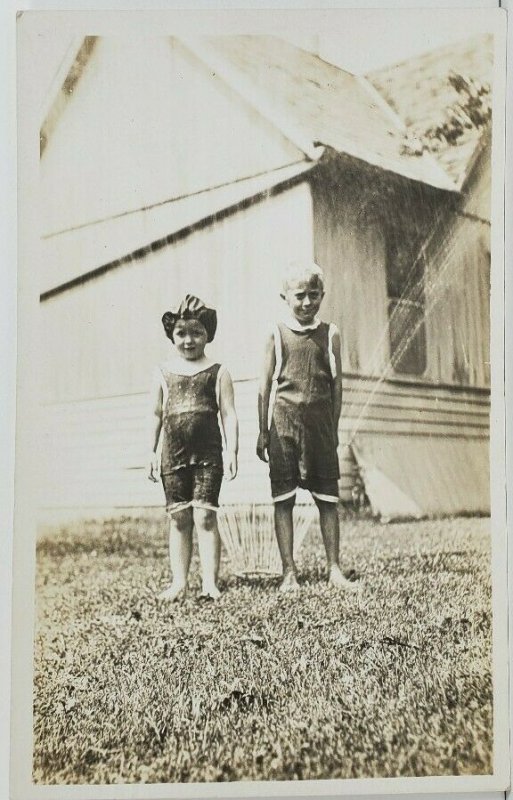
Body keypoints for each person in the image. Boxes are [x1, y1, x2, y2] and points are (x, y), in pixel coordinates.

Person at [257, 262, 358, 593]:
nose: (307, 302)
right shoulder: (275, 333)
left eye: (314, 295)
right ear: (285, 297)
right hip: (283, 428)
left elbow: (337, 385)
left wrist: (334, 427)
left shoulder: (330, 334)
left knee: (328, 501)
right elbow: (264, 388)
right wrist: (262, 431)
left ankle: (334, 569)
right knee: (283, 501)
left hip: (320, 431)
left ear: (322, 296)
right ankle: (289, 572)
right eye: (300, 295)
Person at [148, 294, 238, 601]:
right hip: (172, 457)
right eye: (181, 333)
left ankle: (210, 583)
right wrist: (150, 451)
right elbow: (155, 414)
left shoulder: (218, 371)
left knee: (205, 517)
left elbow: (228, 412)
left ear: (208, 334)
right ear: (172, 335)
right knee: (180, 518)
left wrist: (234, 451)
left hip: (207, 456)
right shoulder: (162, 372)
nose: (189, 340)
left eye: (196, 332)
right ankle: (178, 582)